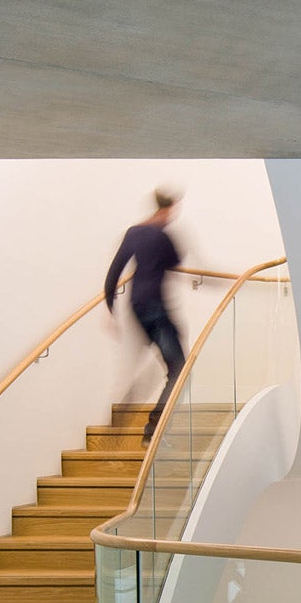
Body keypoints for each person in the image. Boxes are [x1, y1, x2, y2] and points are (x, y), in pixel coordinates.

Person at [104, 187, 185, 439]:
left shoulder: (134, 232)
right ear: (169, 207)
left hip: (136, 307)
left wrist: (111, 310)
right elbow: (175, 262)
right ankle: (152, 427)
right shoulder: (163, 236)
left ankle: (129, 404)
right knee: (179, 368)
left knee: (164, 361)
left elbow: (114, 272)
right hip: (157, 308)